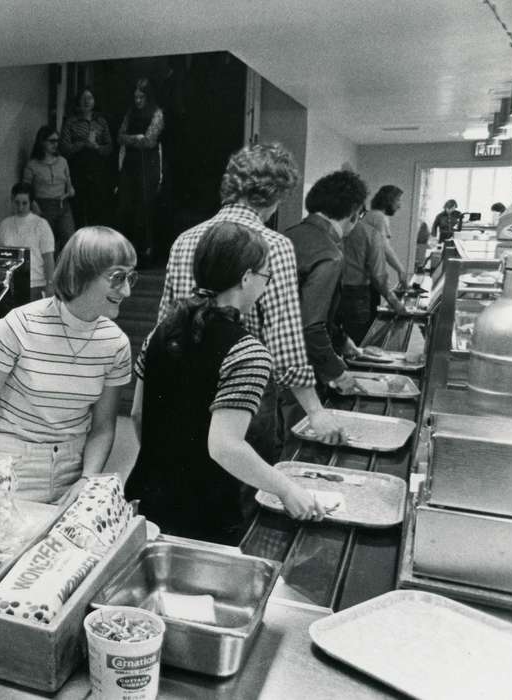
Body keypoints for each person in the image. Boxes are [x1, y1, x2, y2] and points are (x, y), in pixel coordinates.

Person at [139, 143, 347, 465]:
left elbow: (167, 323)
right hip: (241, 395)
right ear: (275, 195)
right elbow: (284, 340)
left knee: (185, 477)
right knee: (240, 495)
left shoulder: (185, 239)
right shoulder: (272, 245)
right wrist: (316, 411)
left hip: (182, 389)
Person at [126, 222, 326, 545]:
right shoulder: (248, 352)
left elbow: (138, 415)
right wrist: (287, 489)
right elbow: (225, 447)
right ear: (246, 278)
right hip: (209, 515)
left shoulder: (160, 332)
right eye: (265, 278)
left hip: (149, 502)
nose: (264, 287)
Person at [0, 226, 135, 504]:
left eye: (130, 278)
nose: (126, 290)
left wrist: (88, 477)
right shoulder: (18, 325)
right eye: (117, 277)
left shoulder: (116, 344)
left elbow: (103, 427)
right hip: (7, 467)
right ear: (81, 274)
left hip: (70, 472)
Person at [283, 171, 368, 397]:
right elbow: (309, 325)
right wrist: (338, 373)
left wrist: (341, 339)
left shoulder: (286, 236)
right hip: (295, 371)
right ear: (354, 212)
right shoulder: (330, 254)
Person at [340, 207, 407, 344]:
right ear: (359, 212)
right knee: (357, 345)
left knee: (333, 340)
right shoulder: (370, 234)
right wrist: (393, 301)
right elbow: (378, 275)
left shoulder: (329, 232)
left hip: (331, 293)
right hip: (356, 296)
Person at [117, 77, 165, 262]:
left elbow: (149, 140)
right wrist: (136, 138)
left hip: (149, 164)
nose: (137, 101)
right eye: (135, 97)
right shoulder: (130, 113)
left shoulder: (157, 113)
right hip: (131, 163)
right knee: (127, 205)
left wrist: (134, 139)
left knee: (144, 207)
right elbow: (120, 136)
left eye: (141, 98)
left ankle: (145, 253)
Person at [60, 87, 113, 229]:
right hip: (77, 168)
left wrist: (96, 147)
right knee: (78, 207)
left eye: (90, 98)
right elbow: (64, 148)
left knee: (96, 208)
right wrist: (83, 143)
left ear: (95, 101)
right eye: (83, 98)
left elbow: (109, 147)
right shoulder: (71, 122)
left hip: (97, 170)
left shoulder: (101, 121)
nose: (86, 101)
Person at [0, 182, 56, 299]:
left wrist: (50, 284)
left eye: (24, 203)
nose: (20, 207)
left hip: (35, 284)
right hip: (10, 284)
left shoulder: (41, 224)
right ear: (12, 200)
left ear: (31, 203)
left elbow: (48, 258)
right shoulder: (4, 224)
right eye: (17, 203)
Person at [23, 125, 76, 250]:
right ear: (42, 142)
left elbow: (69, 185)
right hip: (44, 205)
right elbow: (25, 188)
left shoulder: (62, 161)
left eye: (57, 141)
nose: (55, 144)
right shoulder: (32, 165)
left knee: (69, 239)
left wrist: (70, 192)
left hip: (63, 204)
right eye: (52, 141)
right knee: (47, 244)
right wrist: (34, 205)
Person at [366, 185, 408, 285]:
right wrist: (400, 269)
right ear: (388, 200)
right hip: (368, 278)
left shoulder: (373, 214)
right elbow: (384, 247)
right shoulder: (379, 217)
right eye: (398, 200)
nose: (399, 205)